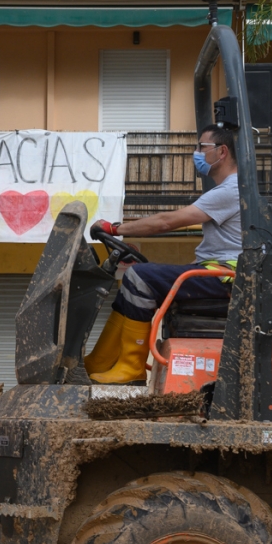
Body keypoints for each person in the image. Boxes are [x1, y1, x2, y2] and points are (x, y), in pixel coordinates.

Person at [85, 124, 241, 384]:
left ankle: (131, 367)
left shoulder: (230, 190)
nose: (197, 153)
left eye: (202, 147)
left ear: (222, 151)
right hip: (220, 273)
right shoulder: (230, 190)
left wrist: (115, 228)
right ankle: (100, 360)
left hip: (226, 280)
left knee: (139, 276)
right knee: (135, 280)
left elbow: (167, 221)